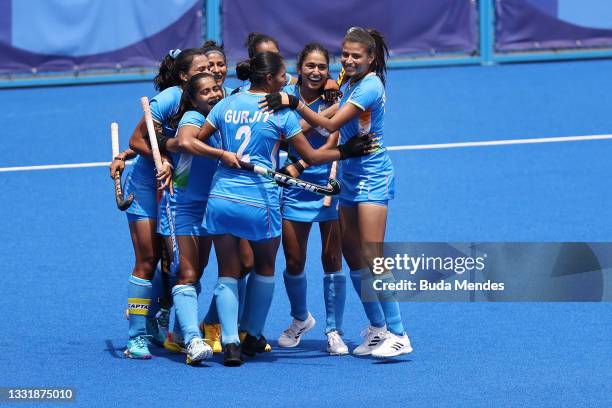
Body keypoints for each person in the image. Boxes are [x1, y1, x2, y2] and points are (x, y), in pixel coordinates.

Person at [179, 51, 376, 366]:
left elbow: (200, 144)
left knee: (227, 272)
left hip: (221, 199)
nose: (288, 81)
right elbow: (311, 157)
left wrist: (222, 154)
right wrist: (345, 152)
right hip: (260, 201)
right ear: (270, 79)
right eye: (284, 76)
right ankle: (252, 333)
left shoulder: (224, 104)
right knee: (264, 267)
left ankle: (229, 342)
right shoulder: (280, 113)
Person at [262, 28, 412, 358]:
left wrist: (294, 102)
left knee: (372, 255)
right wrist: (297, 119)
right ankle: (377, 328)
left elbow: (329, 126)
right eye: (345, 54)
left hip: (372, 176)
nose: (348, 59)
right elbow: (326, 117)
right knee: (353, 255)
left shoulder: (370, 85)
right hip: (349, 177)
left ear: (371, 58)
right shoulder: (349, 83)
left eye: (356, 56)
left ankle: (399, 333)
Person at [120, 48, 209, 359]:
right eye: (202, 67)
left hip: (176, 188)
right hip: (147, 185)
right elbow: (136, 140)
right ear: (185, 76)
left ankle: (158, 316)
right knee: (147, 259)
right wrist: (162, 158)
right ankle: (136, 334)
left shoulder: (211, 97)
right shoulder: (170, 98)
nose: (210, 69)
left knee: (174, 262)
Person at [275, 43, 348, 355]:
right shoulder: (286, 93)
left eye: (322, 67)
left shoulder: (336, 97)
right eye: (310, 66)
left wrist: (304, 162)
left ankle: (334, 330)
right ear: (299, 68)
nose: (317, 72)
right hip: (293, 186)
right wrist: (314, 114)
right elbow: (283, 136)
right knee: (294, 261)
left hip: (328, 184)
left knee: (332, 260)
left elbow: (333, 138)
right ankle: (300, 318)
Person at [161, 72, 226, 364]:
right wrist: (222, 154)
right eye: (205, 92)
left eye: (216, 88)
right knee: (187, 272)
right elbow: (186, 142)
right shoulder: (191, 117)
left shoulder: (223, 114)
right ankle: (191, 340)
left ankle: (181, 332)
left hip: (212, 206)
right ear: (193, 98)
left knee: (199, 270)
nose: (214, 94)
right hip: (183, 207)